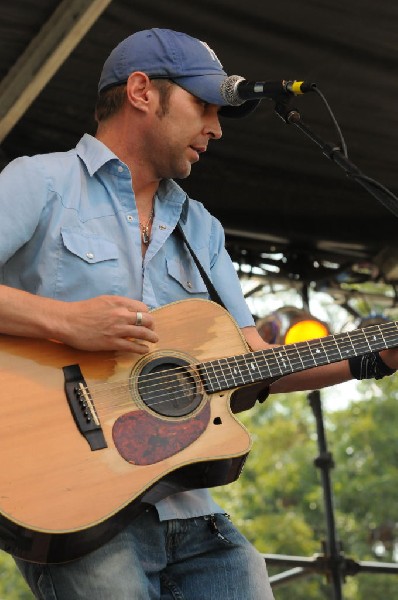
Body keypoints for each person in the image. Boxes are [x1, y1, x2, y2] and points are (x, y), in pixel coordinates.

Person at [0, 27, 397, 600]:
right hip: (75, 508)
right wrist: (66, 322)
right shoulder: (39, 182)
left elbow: (254, 360)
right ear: (141, 91)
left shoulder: (201, 228)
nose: (214, 127)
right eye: (203, 105)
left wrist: (372, 360)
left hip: (193, 514)